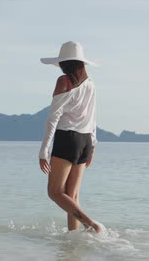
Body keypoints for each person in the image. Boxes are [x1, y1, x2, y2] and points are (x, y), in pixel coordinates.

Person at [39, 41, 102, 233]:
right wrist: (92, 146)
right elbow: (93, 116)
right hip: (85, 140)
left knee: (55, 192)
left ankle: (91, 225)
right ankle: (73, 242)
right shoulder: (91, 83)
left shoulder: (64, 81)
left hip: (67, 139)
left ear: (65, 63)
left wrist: (44, 150)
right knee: (71, 196)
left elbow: (54, 117)